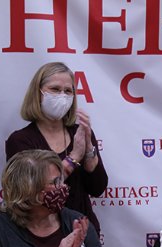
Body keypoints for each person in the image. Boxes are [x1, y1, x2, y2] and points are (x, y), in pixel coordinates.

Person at [6, 62, 108, 234]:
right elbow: (30, 192)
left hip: (82, 230)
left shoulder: (79, 132)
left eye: (68, 91)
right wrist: (74, 157)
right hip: (39, 234)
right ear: (38, 93)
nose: (62, 95)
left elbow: (98, 188)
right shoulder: (20, 140)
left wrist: (89, 150)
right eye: (55, 89)